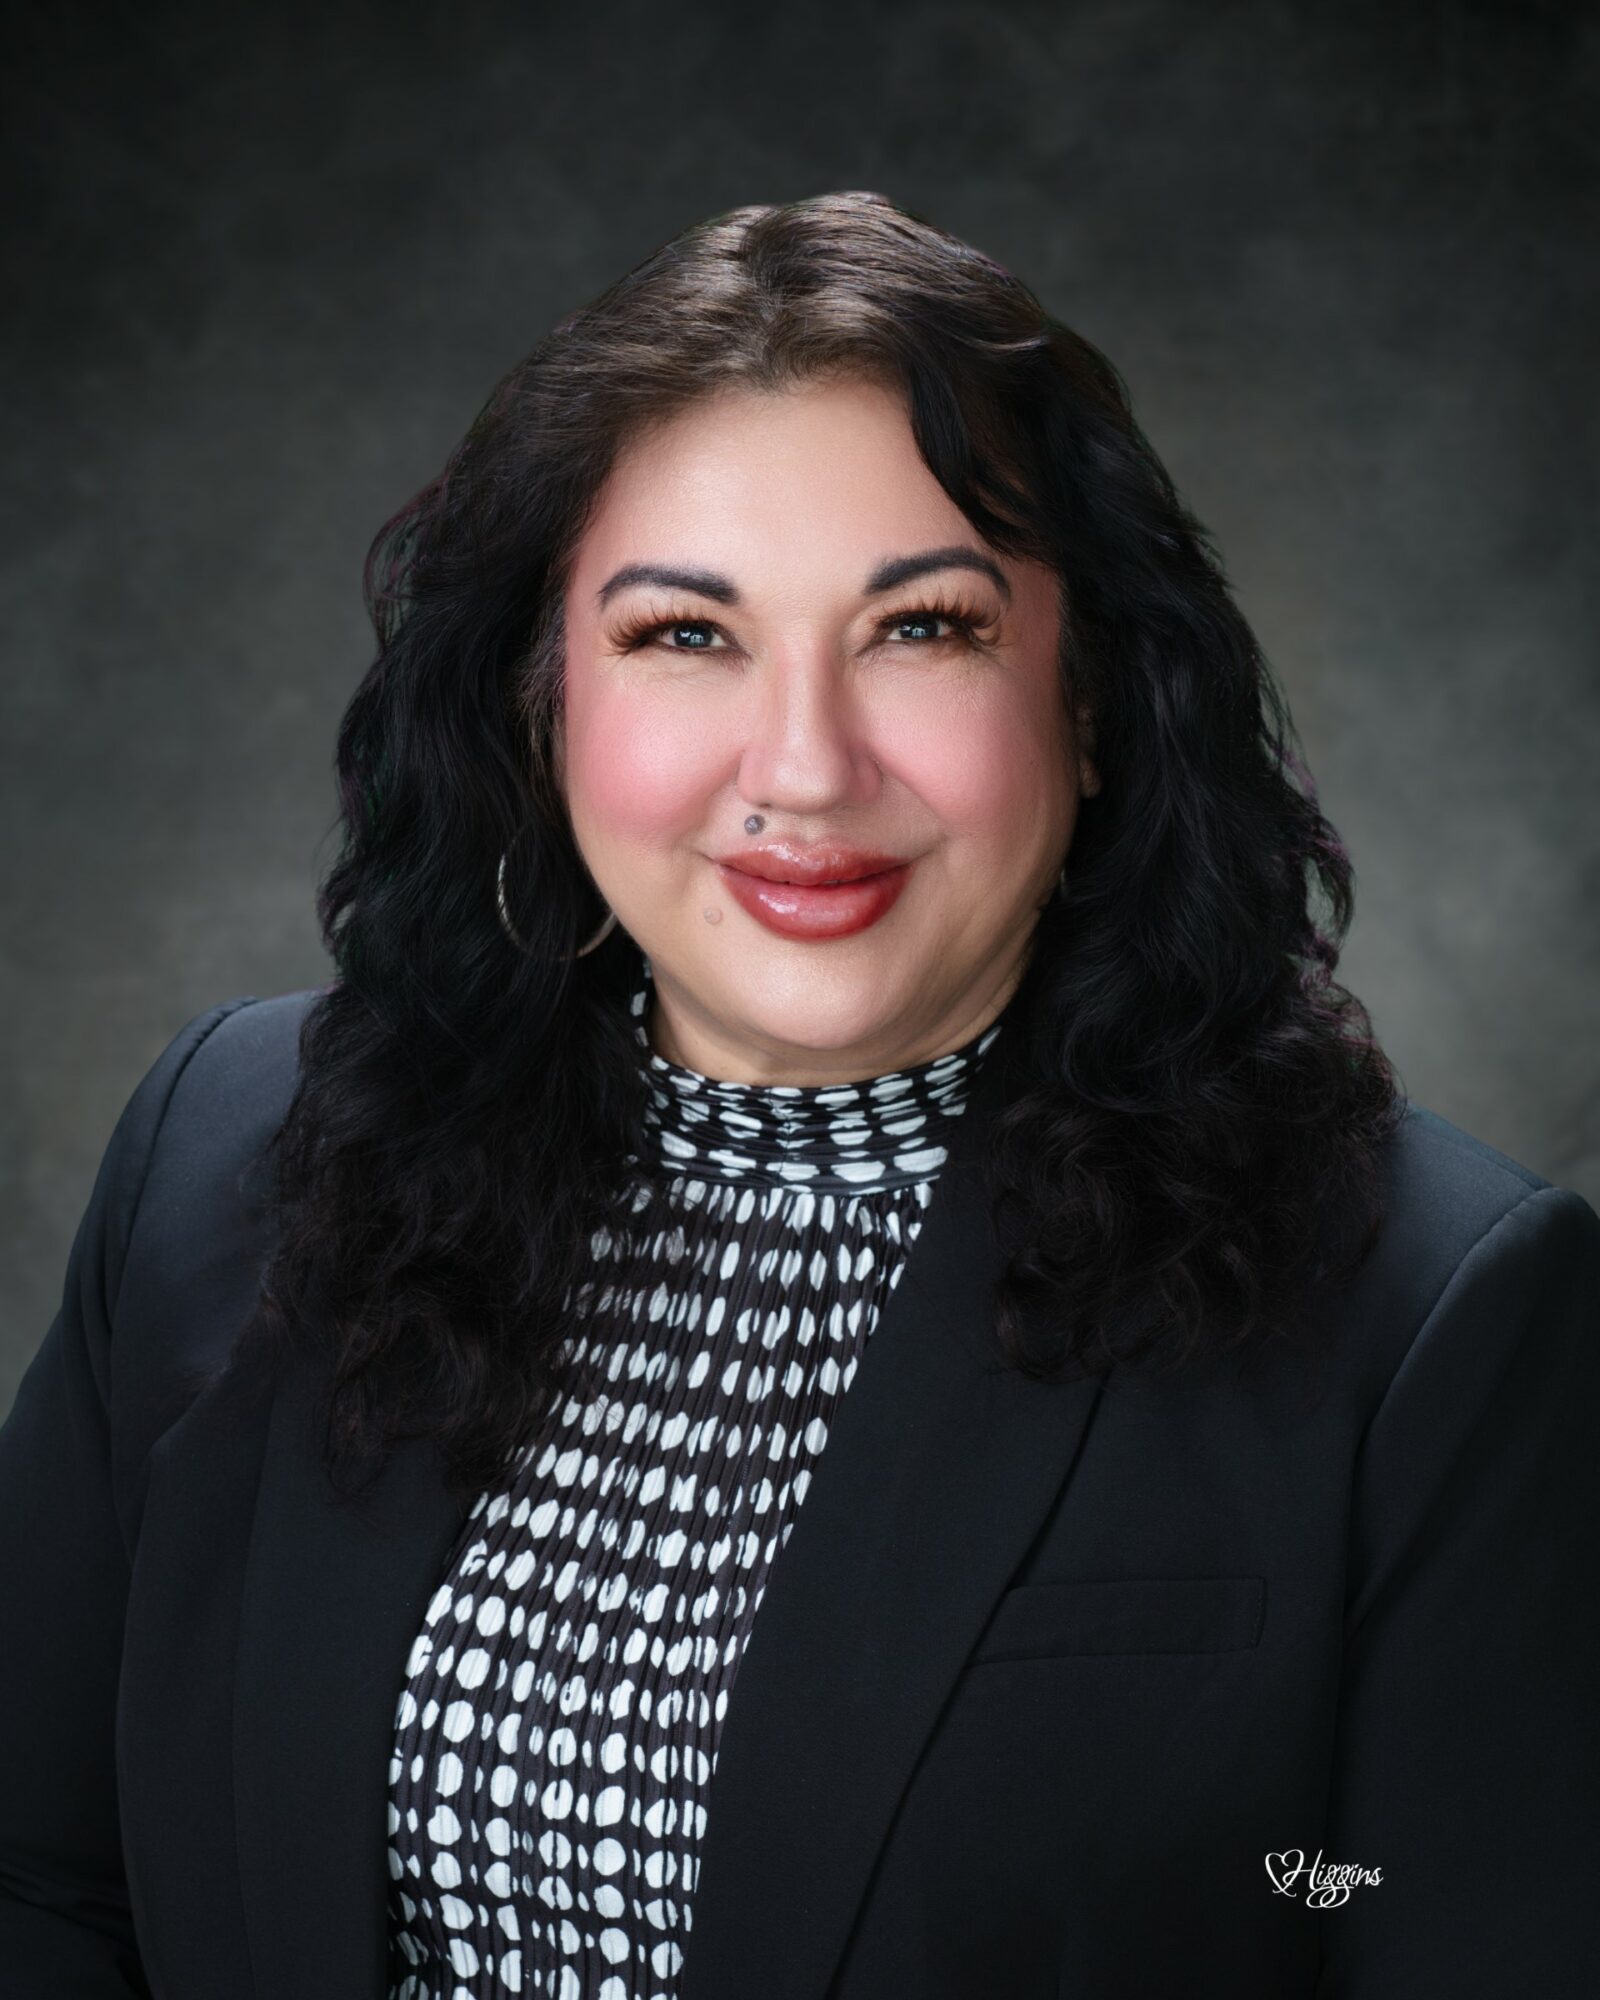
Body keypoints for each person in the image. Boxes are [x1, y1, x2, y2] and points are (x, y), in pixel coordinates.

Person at [2, 189, 1595, 2000]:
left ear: (1093, 701)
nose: (806, 770)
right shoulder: (220, 1154)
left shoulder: (1438, 1320)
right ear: (539, 702)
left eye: (924, 629)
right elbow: (39, 1881)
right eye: (687, 636)